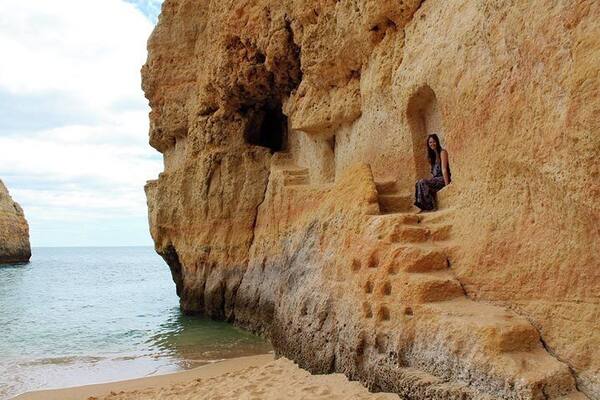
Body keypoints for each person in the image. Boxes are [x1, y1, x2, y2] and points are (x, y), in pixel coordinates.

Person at [414, 134, 451, 212]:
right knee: (418, 183)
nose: (432, 144)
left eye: (434, 142)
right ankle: (423, 207)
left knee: (422, 182)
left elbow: (444, 169)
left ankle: (429, 207)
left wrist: (447, 186)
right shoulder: (432, 156)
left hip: (442, 179)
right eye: (430, 142)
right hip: (436, 179)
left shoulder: (442, 152)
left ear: (437, 142)